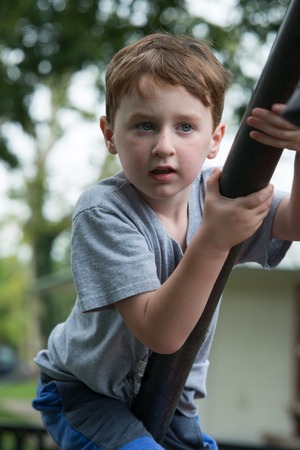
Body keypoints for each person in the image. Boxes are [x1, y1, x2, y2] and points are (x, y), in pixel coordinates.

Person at [32, 33, 300, 450]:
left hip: (170, 399)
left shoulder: (218, 196)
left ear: (215, 139)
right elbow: (162, 333)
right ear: (110, 134)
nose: (164, 147)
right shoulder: (104, 212)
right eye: (144, 125)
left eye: (186, 127)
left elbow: (294, 221)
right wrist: (213, 240)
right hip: (88, 394)